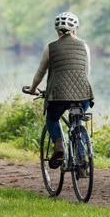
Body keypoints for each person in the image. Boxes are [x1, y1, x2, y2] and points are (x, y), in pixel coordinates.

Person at [26, 11, 94, 169]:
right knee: (76, 122)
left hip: (58, 96)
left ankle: (59, 146)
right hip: (83, 94)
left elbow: (40, 73)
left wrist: (33, 89)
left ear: (57, 31)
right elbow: (86, 72)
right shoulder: (84, 46)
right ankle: (82, 157)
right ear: (75, 30)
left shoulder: (50, 48)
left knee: (52, 118)